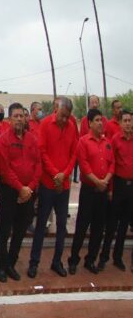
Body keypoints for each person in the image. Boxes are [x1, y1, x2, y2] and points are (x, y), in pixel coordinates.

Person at [28, 96, 79, 278]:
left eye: (68, 116)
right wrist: (55, 174)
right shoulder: (45, 125)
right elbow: (42, 151)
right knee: (41, 224)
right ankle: (34, 262)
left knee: (61, 225)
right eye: (63, 115)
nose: (65, 120)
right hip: (48, 184)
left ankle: (57, 262)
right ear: (57, 110)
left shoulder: (72, 127)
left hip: (63, 186)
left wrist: (64, 174)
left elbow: (74, 153)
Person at [0, 103, 41, 282]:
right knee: (5, 231)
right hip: (10, 192)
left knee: (20, 231)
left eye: (22, 116)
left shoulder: (32, 139)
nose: (19, 119)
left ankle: (10, 264)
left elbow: (38, 165)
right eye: (16, 116)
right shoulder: (4, 139)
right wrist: (20, 188)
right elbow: (4, 168)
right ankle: (0, 266)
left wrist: (29, 188)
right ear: (9, 119)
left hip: (28, 193)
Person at [68, 109, 114, 274]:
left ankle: (90, 260)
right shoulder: (83, 142)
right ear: (89, 123)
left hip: (102, 191)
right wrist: (98, 181)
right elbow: (84, 165)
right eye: (97, 120)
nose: (100, 123)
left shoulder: (107, 142)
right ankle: (73, 260)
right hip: (89, 191)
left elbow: (112, 164)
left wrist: (106, 181)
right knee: (81, 226)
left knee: (98, 228)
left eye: (101, 120)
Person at [101, 109, 133, 270]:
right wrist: (110, 189)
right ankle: (104, 257)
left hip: (131, 187)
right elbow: (110, 165)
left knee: (124, 225)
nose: (128, 123)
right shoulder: (114, 140)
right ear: (120, 123)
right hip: (118, 185)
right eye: (125, 120)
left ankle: (118, 257)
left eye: (130, 120)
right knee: (112, 224)